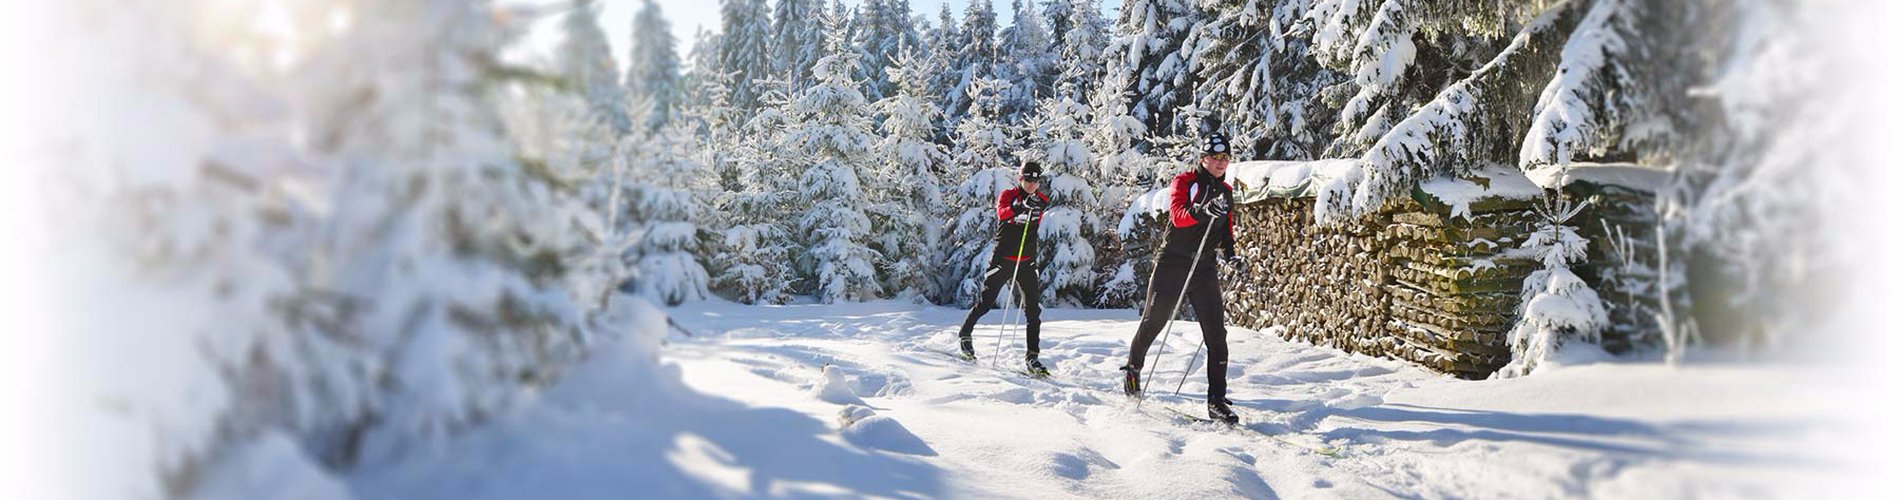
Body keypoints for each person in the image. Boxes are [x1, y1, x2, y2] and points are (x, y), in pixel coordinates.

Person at [1119, 131, 1242, 424]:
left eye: (1226, 158)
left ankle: (1216, 401)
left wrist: (1232, 255)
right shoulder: (1185, 182)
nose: (1221, 163)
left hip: (1204, 267)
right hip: (1173, 262)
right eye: (1216, 157)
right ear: (1204, 158)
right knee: (1153, 321)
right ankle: (1133, 368)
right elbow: (1178, 216)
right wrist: (1202, 210)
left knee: (1217, 335)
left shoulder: (1225, 192)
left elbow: (1226, 230)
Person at [955, 160, 1054, 376]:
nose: (1032, 184)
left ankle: (1033, 357)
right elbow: (1003, 213)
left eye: (1036, 180)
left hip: (1027, 261)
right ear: (1020, 178)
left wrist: (1033, 204)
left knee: (1033, 311)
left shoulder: (1041, 200)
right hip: (1003, 259)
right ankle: (964, 334)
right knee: (985, 303)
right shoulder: (1008, 195)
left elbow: (1044, 203)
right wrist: (1020, 206)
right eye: (1028, 179)